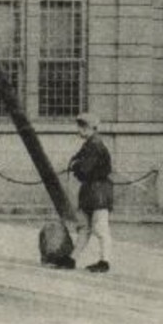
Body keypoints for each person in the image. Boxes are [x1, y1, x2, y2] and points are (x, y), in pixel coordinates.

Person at [68, 113, 113, 274]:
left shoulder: (94, 145)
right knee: (85, 227)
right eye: (80, 126)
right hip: (91, 190)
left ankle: (104, 261)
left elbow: (84, 170)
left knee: (100, 228)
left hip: (98, 191)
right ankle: (72, 258)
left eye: (83, 127)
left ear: (92, 128)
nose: (80, 130)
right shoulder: (91, 143)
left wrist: (76, 166)